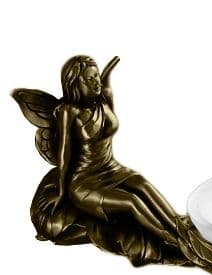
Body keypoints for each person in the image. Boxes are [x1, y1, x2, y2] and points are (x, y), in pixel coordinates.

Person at [53, 55, 179, 246]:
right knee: (131, 201)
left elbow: (106, 84)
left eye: (96, 76)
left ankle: (178, 227)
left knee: (141, 183)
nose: (96, 82)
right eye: (89, 79)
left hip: (111, 169)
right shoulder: (68, 111)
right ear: (75, 84)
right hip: (84, 182)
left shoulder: (104, 100)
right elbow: (65, 154)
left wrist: (107, 75)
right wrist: (62, 193)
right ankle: (171, 241)